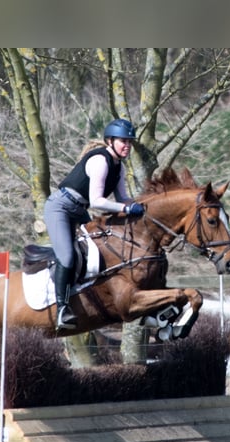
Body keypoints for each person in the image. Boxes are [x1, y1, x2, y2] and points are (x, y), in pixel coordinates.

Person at [44, 118, 145, 330]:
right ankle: (62, 309)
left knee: (100, 250)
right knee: (68, 256)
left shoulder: (119, 167)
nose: (127, 145)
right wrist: (126, 209)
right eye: (123, 141)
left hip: (79, 210)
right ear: (110, 141)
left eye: (129, 141)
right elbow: (97, 201)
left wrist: (143, 206)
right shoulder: (100, 160)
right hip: (60, 208)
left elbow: (123, 198)